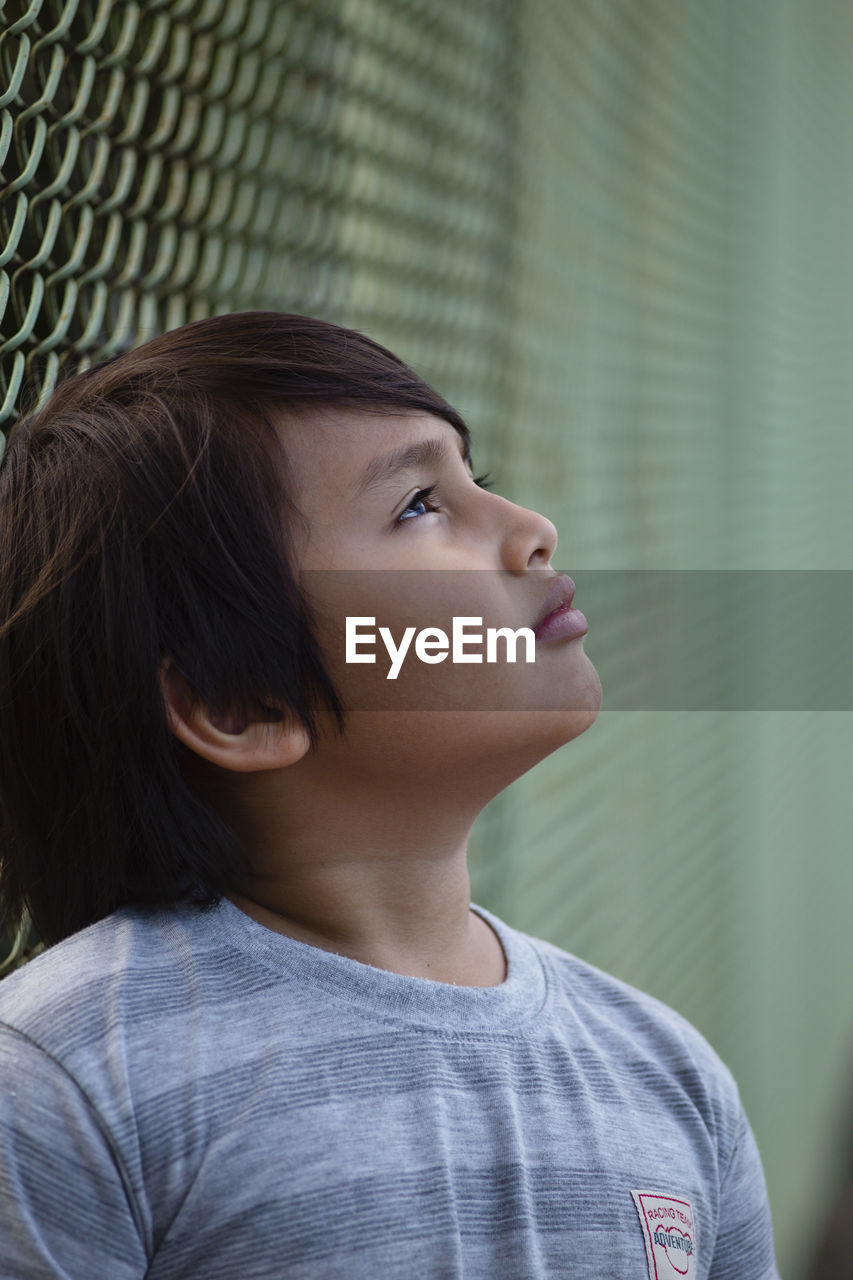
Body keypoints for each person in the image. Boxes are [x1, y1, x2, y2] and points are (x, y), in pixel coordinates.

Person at [0, 312, 779, 1278]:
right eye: (419, 505)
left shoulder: (664, 1071)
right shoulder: (65, 1081)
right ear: (242, 701)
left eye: (476, 480)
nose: (532, 531)